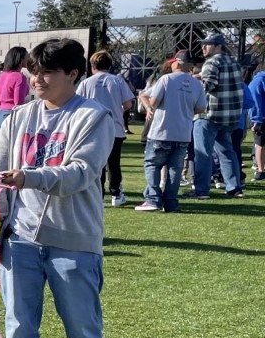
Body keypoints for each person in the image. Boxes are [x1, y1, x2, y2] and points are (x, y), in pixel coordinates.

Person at [0, 37, 117, 338]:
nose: (37, 79)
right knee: (19, 321)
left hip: (73, 238)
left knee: (83, 324)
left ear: (73, 74)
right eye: (33, 71)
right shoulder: (19, 117)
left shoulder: (93, 117)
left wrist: (29, 176)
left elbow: (81, 173)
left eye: (47, 72)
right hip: (19, 238)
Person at [135, 52, 206, 212]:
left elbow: (153, 101)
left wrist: (148, 107)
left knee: (152, 164)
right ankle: (171, 202)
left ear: (178, 63)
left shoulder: (166, 79)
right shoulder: (196, 84)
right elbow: (201, 108)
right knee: (175, 169)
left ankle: (153, 199)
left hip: (161, 131)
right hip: (183, 133)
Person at [74, 51, 135, 207]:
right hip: (115, 128)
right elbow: (128, 104)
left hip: (93, 128)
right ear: (110, 65)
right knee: (114, 163)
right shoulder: (118, 81)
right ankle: (116, 194)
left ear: (93, 65)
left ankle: (98, 195)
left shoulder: (86, 83)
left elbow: (78, 104)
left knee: (97, 163)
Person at [191, 32, 244, 198]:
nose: (203, 47)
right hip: (230, 116)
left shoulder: (211, 62)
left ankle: (201, 190)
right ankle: (234, 187)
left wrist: (195, 80)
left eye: (207, 44)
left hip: (209, 114)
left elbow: (208, 86)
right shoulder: (235, 63)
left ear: (218, 46)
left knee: (203, 153)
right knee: (227, 152)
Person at [0, 46, 30, 129]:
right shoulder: (20, 77)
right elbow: (18, 103)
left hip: (0, 114)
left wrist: (3, 106)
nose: (29, 59)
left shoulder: (1, 76)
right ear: (21, 59)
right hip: (12, 115)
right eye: (27, 57)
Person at [247, 64, 265, 181]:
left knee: (261, 145)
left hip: (261, 117)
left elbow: (255, 101)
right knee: (261, 145)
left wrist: (256, 119)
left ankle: (261, 170)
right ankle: (260, 170)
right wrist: (257, 119)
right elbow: (255, 102)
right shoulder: (260, 81)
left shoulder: (258, 81)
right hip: (261, 117)